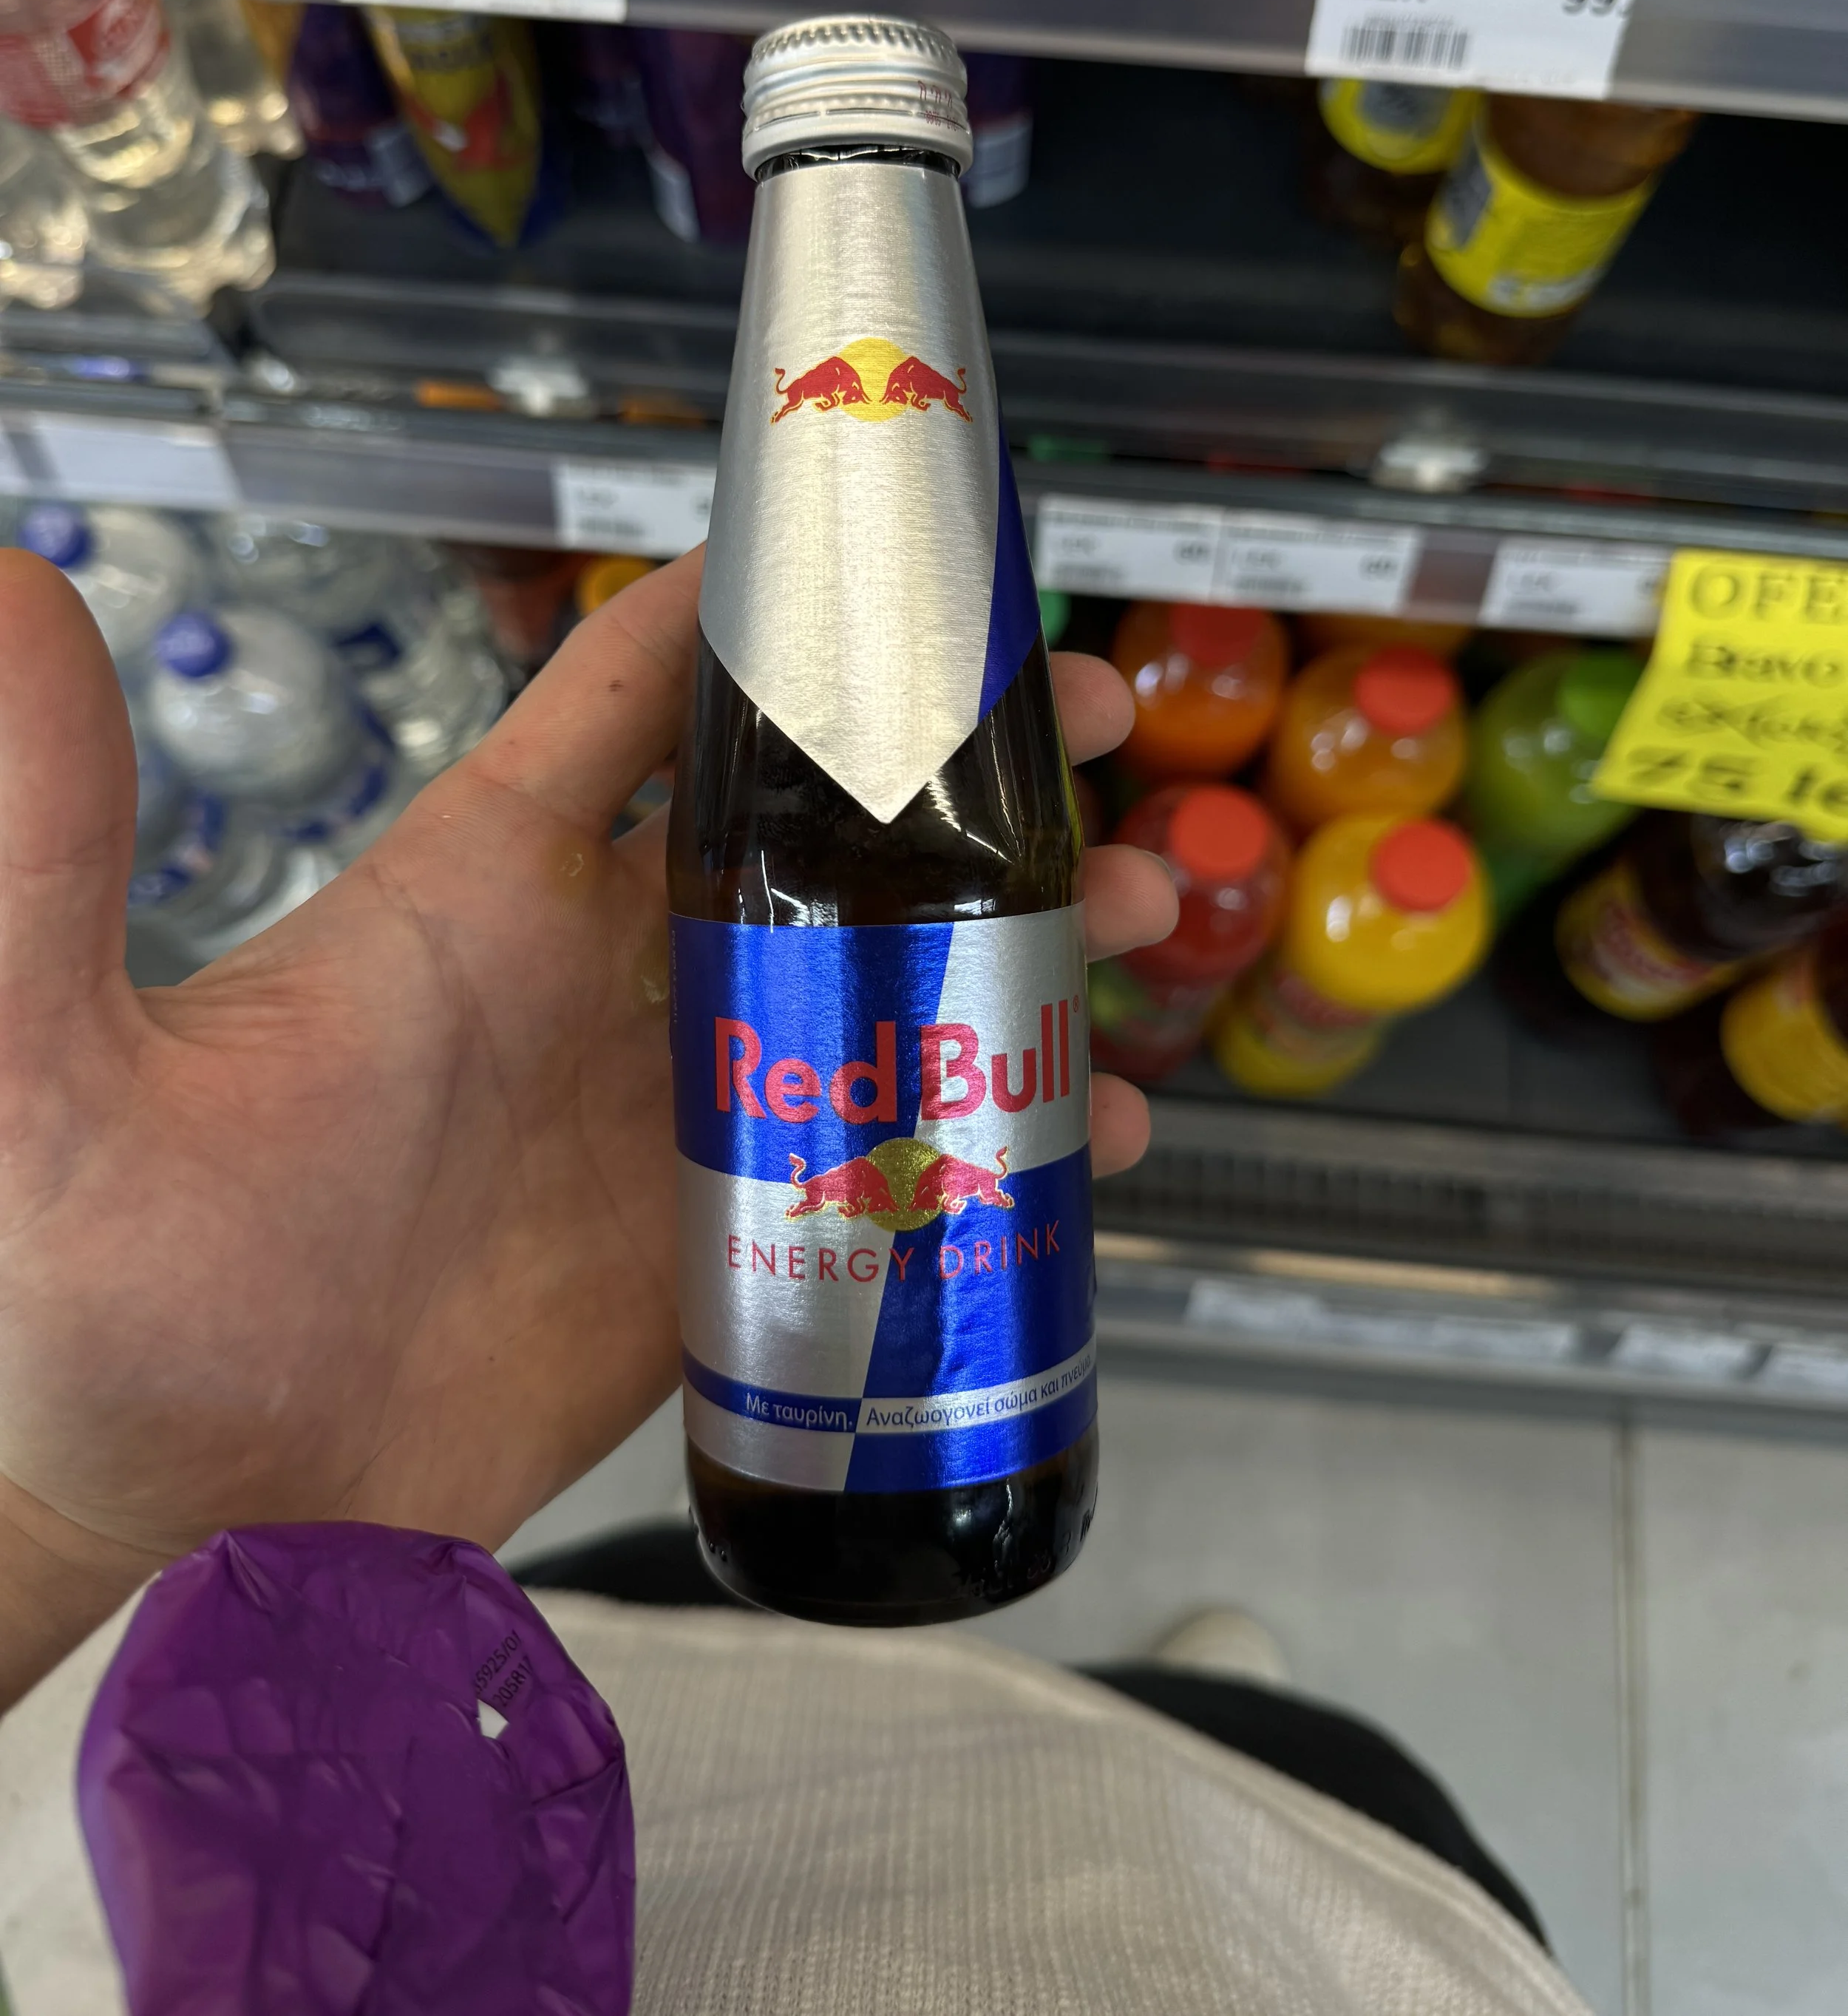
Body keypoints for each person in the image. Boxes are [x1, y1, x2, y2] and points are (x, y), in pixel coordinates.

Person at [0, 541, 1591, 2016]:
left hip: (496, 1721)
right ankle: (1177, 1716)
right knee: (1290, 1773)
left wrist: (64, 1557)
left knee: (667, 1607)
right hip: (1242, 1925)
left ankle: (1144, 1710)